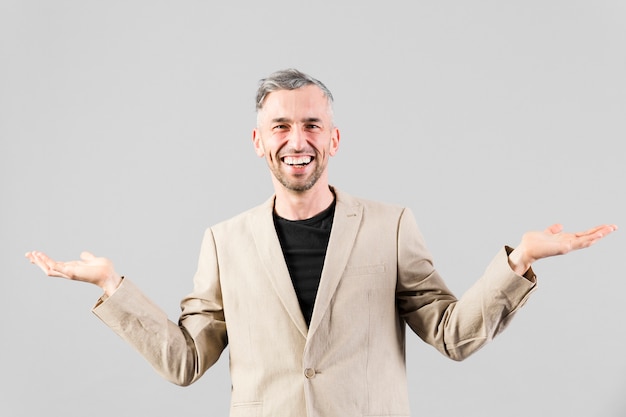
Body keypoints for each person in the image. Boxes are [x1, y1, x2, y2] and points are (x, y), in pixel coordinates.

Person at [26, 68, 617, 417]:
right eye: (280, 126)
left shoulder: (390, 226)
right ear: (258, 141)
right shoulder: (223, 241)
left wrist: (521, 260)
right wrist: (111, 285)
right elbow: (186, 362)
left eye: (311, 124)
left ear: (334, 138)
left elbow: (452, 336)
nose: (297, 139)